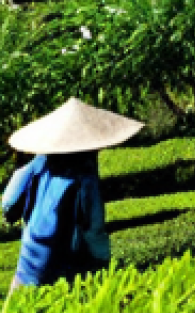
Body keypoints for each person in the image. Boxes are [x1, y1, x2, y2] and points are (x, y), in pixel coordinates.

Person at [2, 98, 143, 289]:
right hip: (65, 265)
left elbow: (8, 203)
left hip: (28, 263)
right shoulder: (85, 177)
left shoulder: (36, 163)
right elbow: (93, 229)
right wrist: (104, 263)